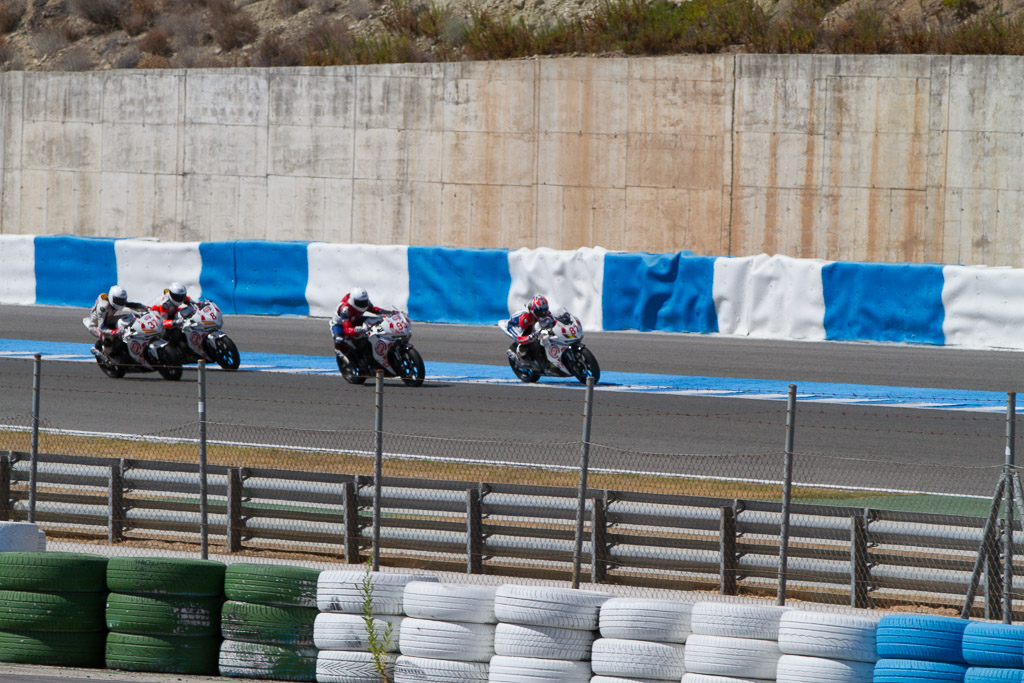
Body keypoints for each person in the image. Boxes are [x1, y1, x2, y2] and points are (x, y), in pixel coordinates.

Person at [330, 287, 395, 364]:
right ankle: (346, 357)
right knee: (339, 340)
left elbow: (374, 310)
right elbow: (347, 330)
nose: (363, 305)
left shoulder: (365, 302)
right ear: (353, 301)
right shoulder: (345, 309)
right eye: (360, 303)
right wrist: (359, 330)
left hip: (356, 319)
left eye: (364, 302)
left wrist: (390, 313)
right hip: (340, 324)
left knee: (379, 320)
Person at [84, 285, 144, 355]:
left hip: (109, 319)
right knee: (108, 338)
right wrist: (115, 332)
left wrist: (147, 308)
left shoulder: (118, 301)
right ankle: (108, 356)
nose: (120, 303)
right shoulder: (103, 307)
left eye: (122, 301)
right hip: (96, 325)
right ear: (111, 298)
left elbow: (133, 305)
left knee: (131, 317)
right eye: (118, 301)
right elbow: (101, 328)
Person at [506, 295, 555, 363]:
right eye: (540, 312)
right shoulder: (526, 318)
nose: (543, 314)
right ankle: (519, 355)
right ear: (534, 310)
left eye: (545, 311)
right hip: (514, 325)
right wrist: (530, 337)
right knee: (528, 340)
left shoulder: (541, 309)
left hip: (531, 322)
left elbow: (554, 319)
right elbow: (519, 337)